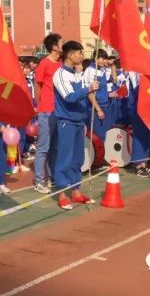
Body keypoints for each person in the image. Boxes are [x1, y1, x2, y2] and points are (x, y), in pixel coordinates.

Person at [52, 41, 99, 210]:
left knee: (78, 159)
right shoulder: (60, 75)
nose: (81, 55)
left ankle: (76, 192)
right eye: (79, 52)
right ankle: (62, 195)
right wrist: (87, 89)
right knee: (65, 158)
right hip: (66, 122)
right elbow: (69, 97)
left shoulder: (77, 73)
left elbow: (82, 98)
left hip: (79, 121)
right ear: (70, 55)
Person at [33, 33, 63, 194]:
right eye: (61, 43)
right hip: (46, 111)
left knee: (55, 147)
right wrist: (40, 104)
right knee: (43, 147)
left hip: (59, 111)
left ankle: (52, 178)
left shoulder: (61, 64)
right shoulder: (44, 64)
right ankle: (39, 180)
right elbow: (37, 85)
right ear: (54, 47)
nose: (63, 45)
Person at [82, 49, 113, 141]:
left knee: (106, 134)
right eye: (102, 59)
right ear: (96, 59)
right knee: (98, 136)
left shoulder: (102, 70)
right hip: (95, 109)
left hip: (105, 106)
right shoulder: (91, 71)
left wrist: (109, 95)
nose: (105, 61)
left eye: (105, 59)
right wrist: (98, 109)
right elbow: (90, 93)